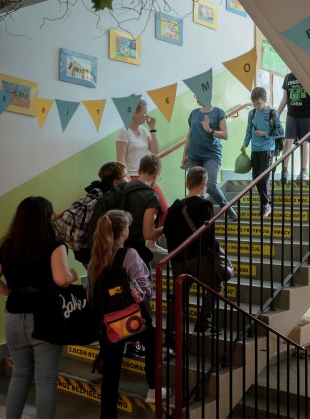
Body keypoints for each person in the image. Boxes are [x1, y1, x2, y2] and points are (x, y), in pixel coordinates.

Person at [0, 196, 78, 419]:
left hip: (14, 317)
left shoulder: (8, 246)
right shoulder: (54, 245)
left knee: (20, 374)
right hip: (45, 317)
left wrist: (13, 293)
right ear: (46, 217)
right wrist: (73, 274)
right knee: (45, 380)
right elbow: (62, 279)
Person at [87, 210, 166, 416]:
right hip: (130, 321)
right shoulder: (129, 254)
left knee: (111, 376)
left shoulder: (95, 257)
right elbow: (144, 288)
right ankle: (153, 388)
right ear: (123, 231)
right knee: (153, 337)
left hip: (108, 325)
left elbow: (90, 295)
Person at [163, 167, 222, 335]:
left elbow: (167, 232)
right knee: (214, 285)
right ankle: (204, 324)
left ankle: (172, 335)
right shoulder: (205, 205)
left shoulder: (174, 207)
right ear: (204, 184)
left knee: (179, 295)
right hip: (198, 257)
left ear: (187, 184)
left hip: (177, 259)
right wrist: (214, 251)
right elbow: (209, 235)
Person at [115, 98, 168, 253]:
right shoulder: (123, 131)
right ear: (135, 113)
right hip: (131, 178)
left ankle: (152, 243)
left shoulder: (144, 131)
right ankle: (132, 248)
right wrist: (125, 180)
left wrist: (152, 128)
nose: (147, 115)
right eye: (144, 112)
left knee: (165, 209)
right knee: (134, 217)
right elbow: (120, 159)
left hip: (148, 177)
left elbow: (156, 150)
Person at [181, 96, 238, 221]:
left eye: (198, 94)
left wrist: (210, 131)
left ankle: (228, 209)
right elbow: (189, 135)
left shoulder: (218, 112)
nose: (196, 98)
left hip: (211, 155)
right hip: (194, 156)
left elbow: (225, 135)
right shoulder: (194, 114)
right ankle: (199, 217)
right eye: (195, 95)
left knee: (211, 185)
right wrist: (184, 154)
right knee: (195, 187)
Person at [242, 87, 285, 218]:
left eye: (258, 103)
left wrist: (265, 134)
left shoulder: (272, 113)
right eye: (254, 104)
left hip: (268, 150)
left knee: (264, 177)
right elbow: (249, 130)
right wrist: (245, 143)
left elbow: (281, 132)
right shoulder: (252, 113)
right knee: (255, 178)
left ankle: (265, 204)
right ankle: (266, 202)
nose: (256, 106)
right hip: (255, 150)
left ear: (265, 100)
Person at [277, 72, 310, 181]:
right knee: (288, 142)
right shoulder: (288, 77)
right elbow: (284, 99)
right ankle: (284, 171)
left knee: (304, 142)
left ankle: (304, 171)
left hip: (307, 115)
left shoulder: (307, 74)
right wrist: (276, 115)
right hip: (291, 115)